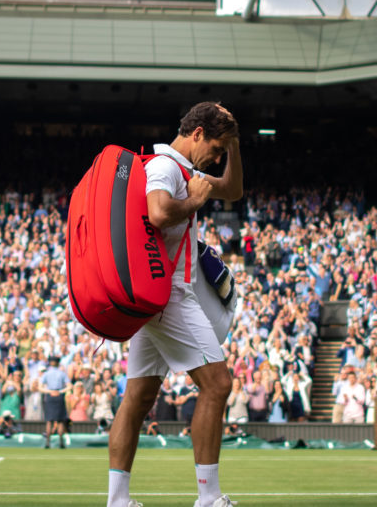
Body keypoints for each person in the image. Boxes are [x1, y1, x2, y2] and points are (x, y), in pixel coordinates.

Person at [108, 102, 242, 507]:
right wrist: (194, 202)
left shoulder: (188, 170)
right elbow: (160, 213)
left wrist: (234, 144)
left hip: (157, 301)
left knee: (137, 399)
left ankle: (117, 501)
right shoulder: (166, 167)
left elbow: (233, 190)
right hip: (169, 297)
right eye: (217, 148)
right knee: (217, 385)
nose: (217, 158)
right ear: (197, 134)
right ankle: (209, 498)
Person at [40, 356, 70, 449]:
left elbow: (40, 387)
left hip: (50, 396)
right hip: (59, 395)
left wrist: (50, 392)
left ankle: (47, 442)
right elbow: (69, 386)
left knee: (49, 421)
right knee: (60, 421)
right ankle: (61, 441)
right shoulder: (62, 373)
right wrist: (60, 391)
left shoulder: (46, 373)